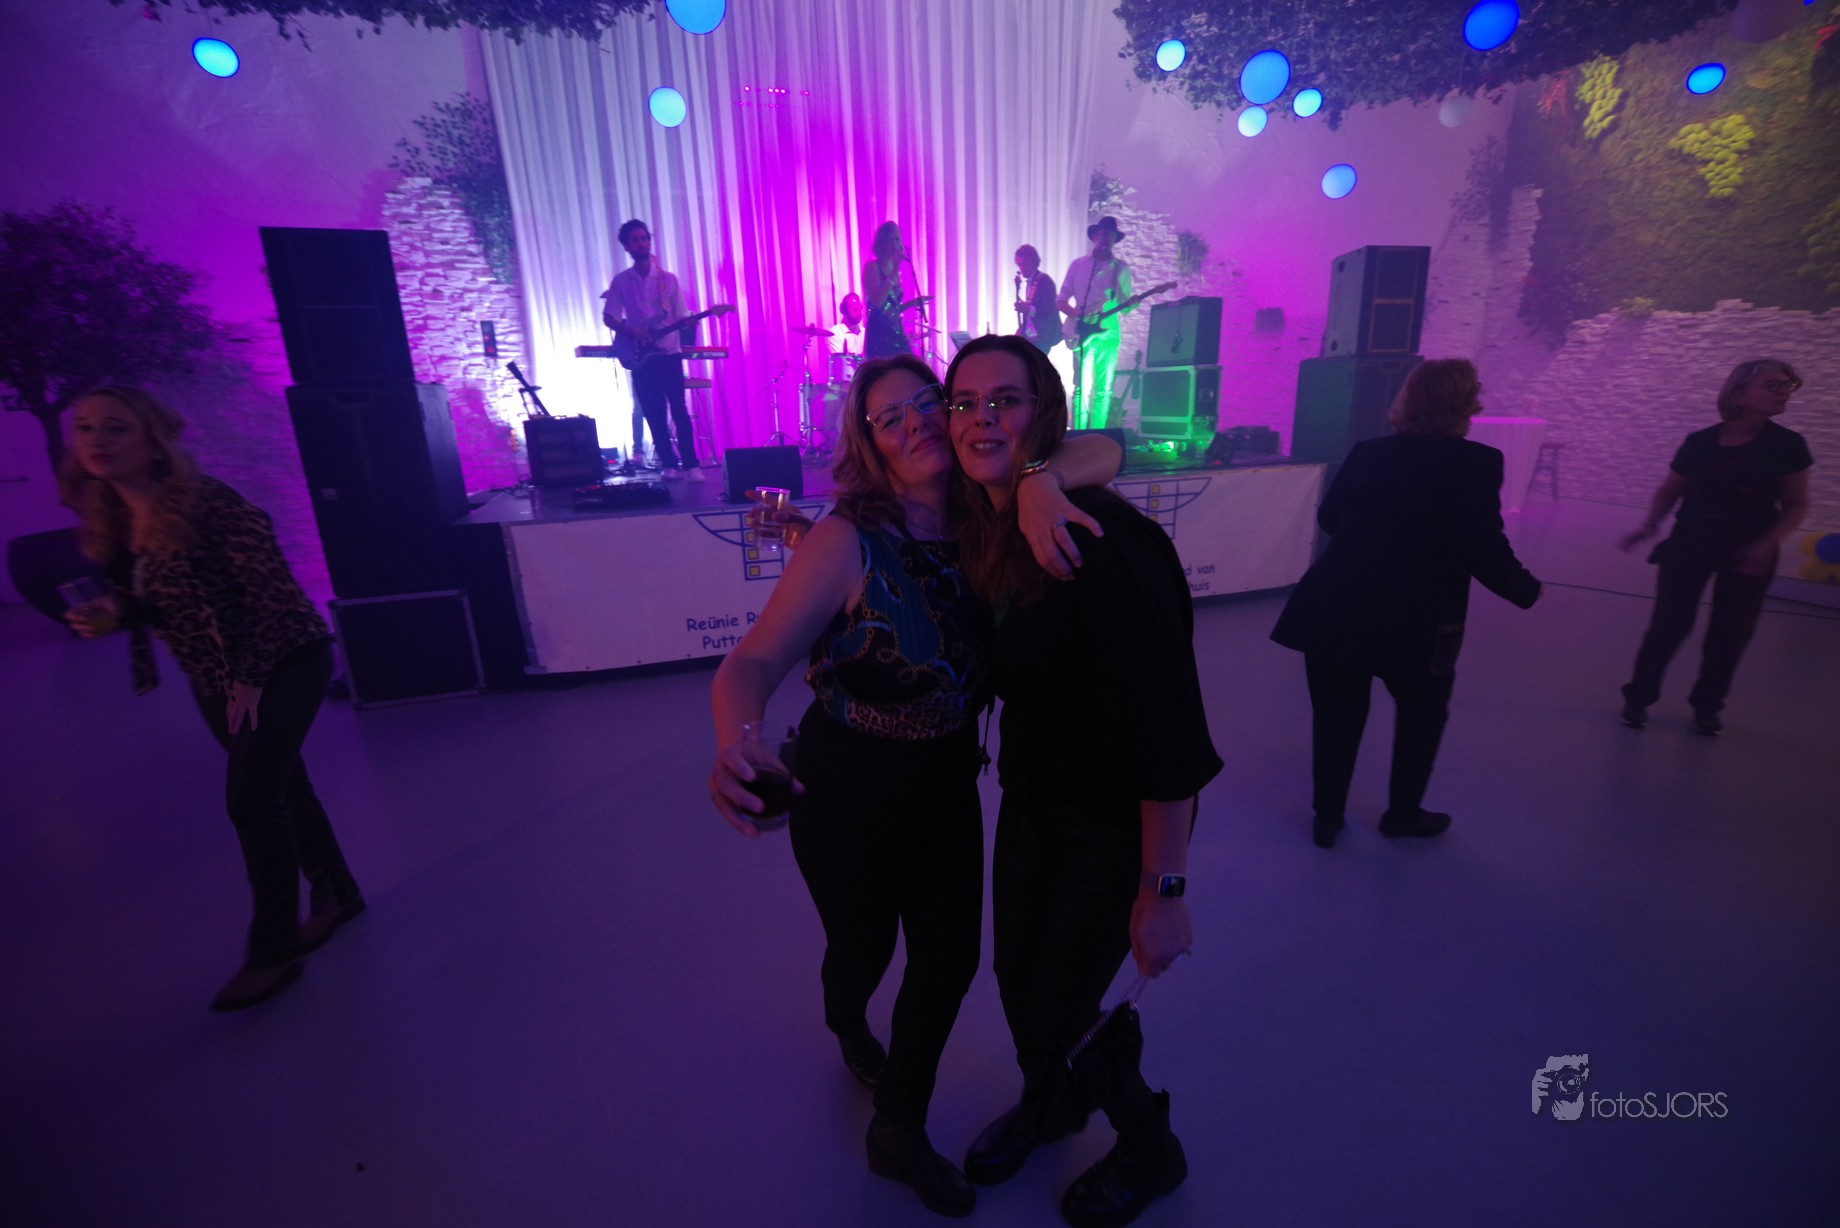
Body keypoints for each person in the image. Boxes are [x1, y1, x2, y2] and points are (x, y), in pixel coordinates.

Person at [708, 356, 1122, 1217]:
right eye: (888, 418)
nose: (915, 423)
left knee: (948, 960)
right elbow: (751, 663)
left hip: (945, 781)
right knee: (862, 952)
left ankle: (896, 1128)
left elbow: (1111, 450)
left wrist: (1040, 480)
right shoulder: (846, 539)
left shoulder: (989, 514)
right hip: (845, 787)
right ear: (871, 445)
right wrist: (739, 743)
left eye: (927, 403)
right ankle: (845, 1018)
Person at [944, 334, 1221, 1228]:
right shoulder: (988, 524)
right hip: (1034, 799)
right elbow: (1100, 447)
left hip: (1113, 824)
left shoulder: (1100, 541)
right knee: (1018, 979)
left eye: (1005, 399)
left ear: (1044, 414)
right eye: (964, 402)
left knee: (1062, 1005)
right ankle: (1053, 1105)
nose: (981, 417)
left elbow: (1169, 735)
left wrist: (1163, 890)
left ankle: (1149, 1146)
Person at [59, 386, 363, 1012]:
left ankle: (273, 951)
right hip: (213, 673)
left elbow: (273, 601)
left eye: (115, 427)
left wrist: (247, 683)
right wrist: (117, 610)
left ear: (154, 442)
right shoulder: (113, 515)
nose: (96, 440)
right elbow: (157, 596)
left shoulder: (210, 503)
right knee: (282, 786)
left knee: (252, 800)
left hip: (283, 659)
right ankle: (338, 893)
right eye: (85, 428)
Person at [1270, 359, 1542, 849]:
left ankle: (1327, 818)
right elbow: (1480, 544)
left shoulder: (1369, 452)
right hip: (1420, 614)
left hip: (1339, 601)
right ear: (1465, 404)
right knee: (1422, 714)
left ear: (1409, 399)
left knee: (1336, 715)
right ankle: (1402, 815)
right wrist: (1524, 588)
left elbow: (1330, 518)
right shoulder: (1477, 462)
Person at [1616, 358, 1812, 734]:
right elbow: (1671, 489)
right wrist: (1650, 524)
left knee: (1731, 631)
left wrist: (1767, 543)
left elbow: (1796, 505)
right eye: (1772, 385)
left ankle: (1707, 705)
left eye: (1787, 386)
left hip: (1751, 547)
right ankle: (1638, 697)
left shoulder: (1788, 446)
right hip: (1691, 541)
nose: (1783, 393)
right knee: (1669, 624)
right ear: (1738, 393)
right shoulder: (1701, 442)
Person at [602, 218, 704, 481]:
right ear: (627, 246)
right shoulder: (622, 281)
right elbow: (609, 317)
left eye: (644, 238)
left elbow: (680, 315)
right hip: (642, 355)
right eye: (635, 240)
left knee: (679, 410)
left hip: (669, 353)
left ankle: (692, 465)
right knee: (653, 411)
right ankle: (669, 464)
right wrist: (631, 331)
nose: (641, 244)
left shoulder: (668, 280)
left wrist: (689, 323)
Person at [1057, 216, 1134, 430]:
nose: (1105, 237)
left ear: (1114, 239)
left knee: (1103, 389)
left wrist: (1129, 302)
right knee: (1081, 387)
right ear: (1095, 237)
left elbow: (1125, 306)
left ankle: (1098, 435)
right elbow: (1061, 299)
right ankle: (1080, 434)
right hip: (1082, 332)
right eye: (1102, 233)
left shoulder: (1120, 268)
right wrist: (1076, 314)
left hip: (1108, 334)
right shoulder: (1078, 265)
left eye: (1110, 234)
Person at [862, 221, 920, 360]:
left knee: (906, 367)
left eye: (897, 239)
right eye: (891, 239)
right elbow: (877, 302)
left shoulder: (895, 271)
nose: (895, 243)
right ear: (883, 242)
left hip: (896, 330)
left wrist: (913, 303)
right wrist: (894, 271)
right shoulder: (872, 267)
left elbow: (891, 308)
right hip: (879, 333)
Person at [1013, 244, 1062, 353]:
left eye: (1025, 264)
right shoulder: (1032, 281)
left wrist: (1027, 309)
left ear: (1033, 262)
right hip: (1035, 336)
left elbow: (1049, 310)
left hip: (1043, 336)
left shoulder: (1044, 280)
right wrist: (1023, 329)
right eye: (1019, 265)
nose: (1021, 268)